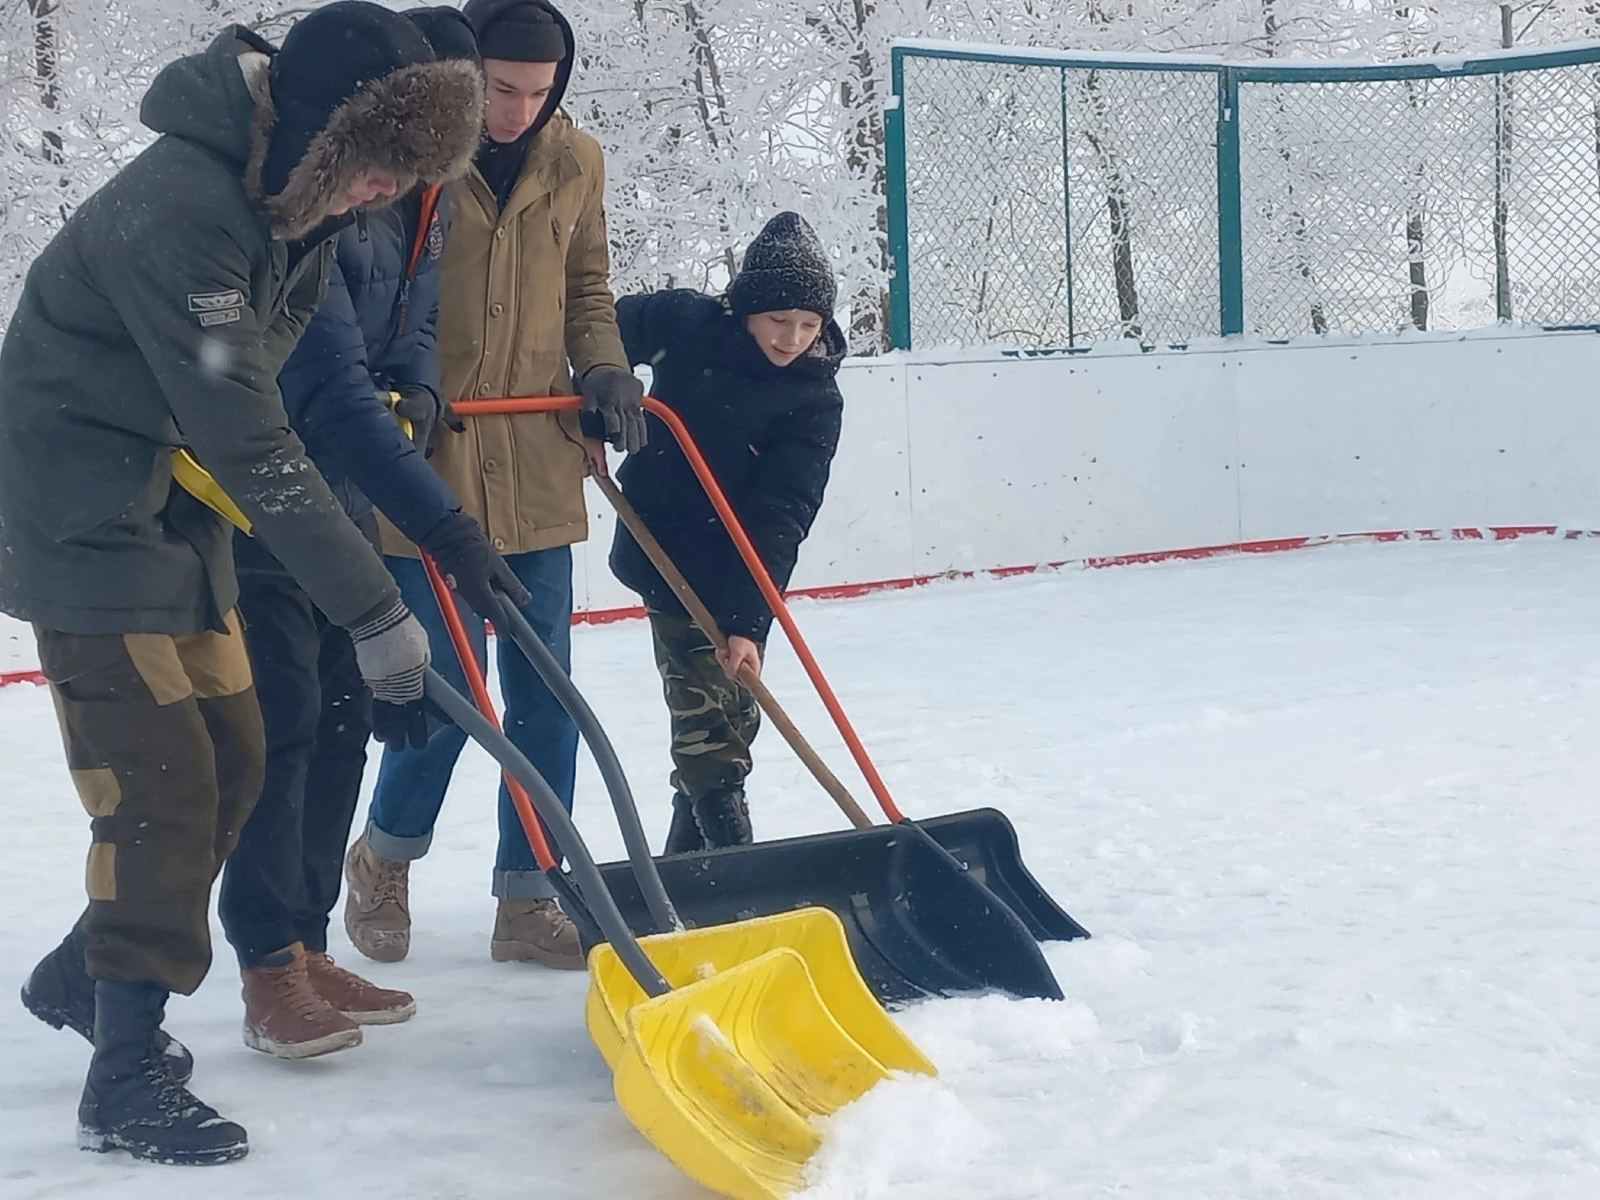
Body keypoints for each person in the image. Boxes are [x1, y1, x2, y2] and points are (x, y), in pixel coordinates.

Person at [3, 2, 482, 1163]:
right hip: (86, 522)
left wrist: (422, 541)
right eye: (374, 170)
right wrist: (376, 609)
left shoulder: (297, 216)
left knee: (239, 758)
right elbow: (252, 436)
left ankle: (84, 972)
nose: (379, 197)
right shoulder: (185, 210)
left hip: (173, 512)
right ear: (322, 136)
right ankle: (122, 1076)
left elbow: (265, 411)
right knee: (161, 788)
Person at [216, 6, 516, 1061]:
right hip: (262, 501)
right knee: (285, 721)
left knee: (347, 715)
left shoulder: (425, 199)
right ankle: (265, 967)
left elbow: (416, 326)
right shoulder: (343, 201)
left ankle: (304, 941)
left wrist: (423, 388)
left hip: (343, 496)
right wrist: (450, 529)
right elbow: (331, 385)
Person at [345, 0, 645, 972]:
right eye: (500, 89)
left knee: (545, 696)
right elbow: (380, 293)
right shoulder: (417, 156)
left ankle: (530, 899)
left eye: (537, 90)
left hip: (537, 459)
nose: (517, 109)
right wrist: (399, 387)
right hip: (430, 459)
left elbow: (588, 290)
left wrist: (602, 369)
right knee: (443, 694)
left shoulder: (577, 159)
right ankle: (383, 857)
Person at [609, 212, 845, 853]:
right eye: (777, 320)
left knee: (734, 718)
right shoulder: (687, 326)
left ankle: (689, 863)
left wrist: (749, 622)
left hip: (740, 566)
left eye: (808, 324)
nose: (792, 337)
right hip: (665, 550)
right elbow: (596, 328)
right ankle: (732, 854)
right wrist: (600, 387)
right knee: (708, 727)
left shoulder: (814, 396)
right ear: (745, 308)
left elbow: (783, 513)